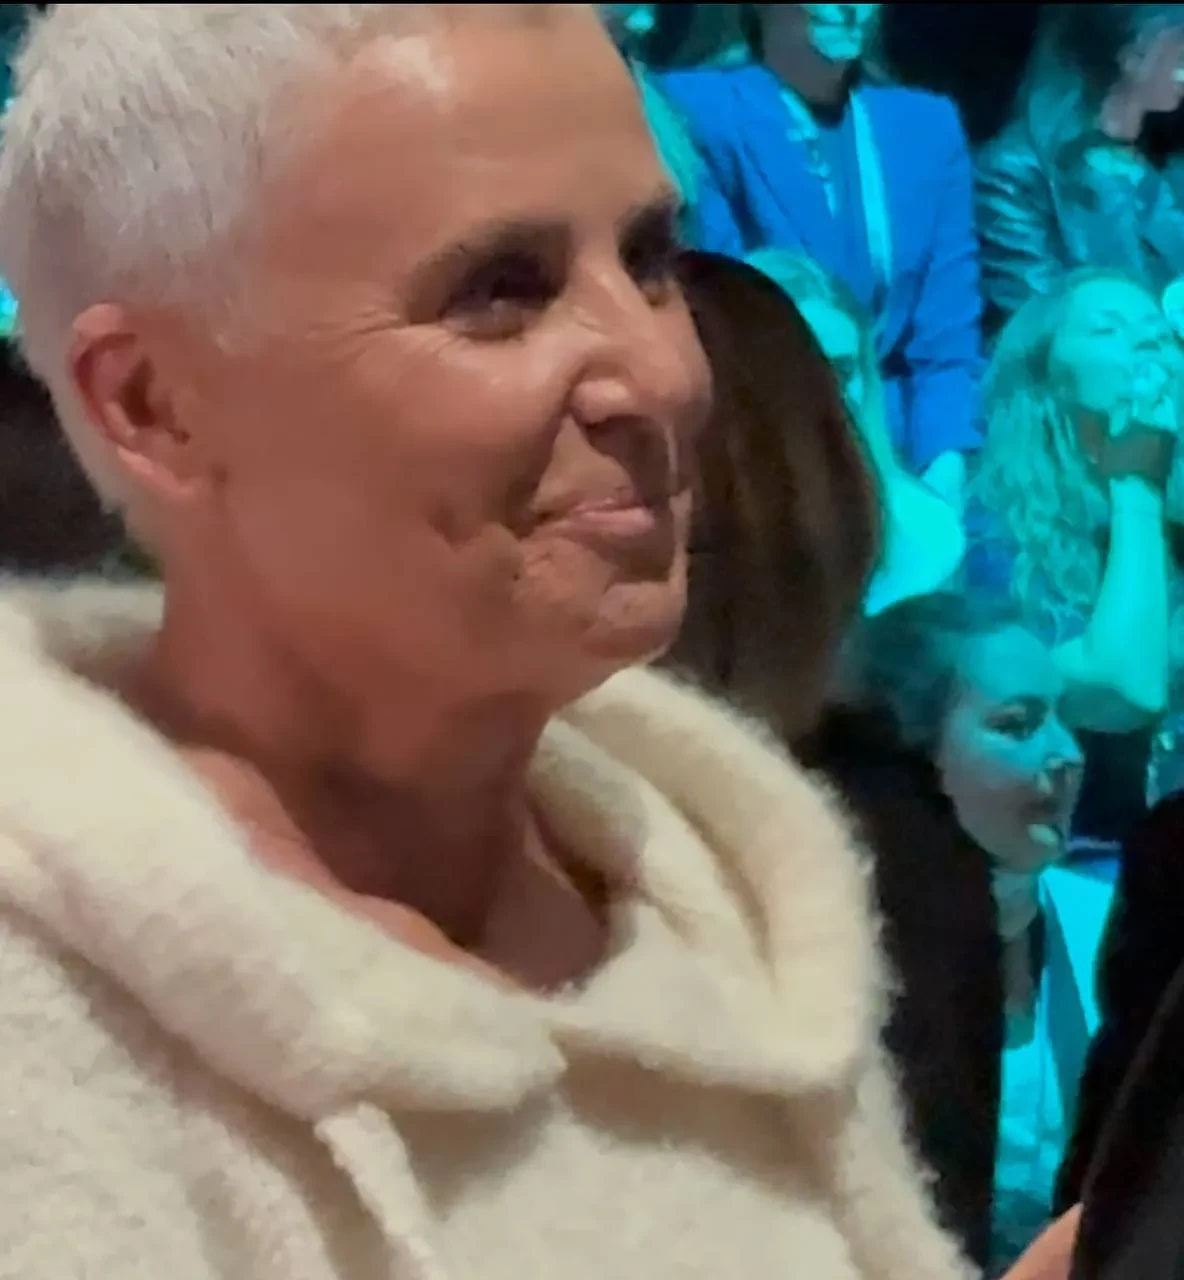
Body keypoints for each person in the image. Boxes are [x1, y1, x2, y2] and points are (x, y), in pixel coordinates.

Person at [0, 4, 1078, 1278]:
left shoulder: (728, 891)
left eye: (653, 257)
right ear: (155, 402)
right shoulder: (45, 1035)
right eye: (499, 293)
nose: (665, 374)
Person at [658, 3, 983, 490]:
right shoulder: (696, 109)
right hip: (770, 439)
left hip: (904, 449)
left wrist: (943, 471)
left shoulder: (926, 126)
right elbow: (726, 312)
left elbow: (948, 339)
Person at [853, 593, 1084, 1275]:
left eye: (1064, 719)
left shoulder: (1105, 927)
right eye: (1018, 725)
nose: (1067, 753)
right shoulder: (838, 953)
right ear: (915, 757)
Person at [968, 269, 1183, 854]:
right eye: (1108, 329)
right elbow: (1125, 687)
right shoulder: (994, 535)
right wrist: (1136, 483)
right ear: (1048, 381)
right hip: (1072, 863)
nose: (1146, 342)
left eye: (1159, 332)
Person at [745, 248, 967, 615]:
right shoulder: (688, 539)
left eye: (844, 370)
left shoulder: (927, 535)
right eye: (801, 370)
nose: (830, 393)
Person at [977, 4, 1184, 339]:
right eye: (1181, 53)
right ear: (1133, 57)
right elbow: (1041, 329)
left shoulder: (1166, 164)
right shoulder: (1015, 173)